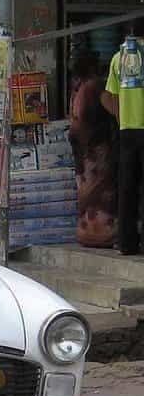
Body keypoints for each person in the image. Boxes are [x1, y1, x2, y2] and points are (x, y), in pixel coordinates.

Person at [70, 54, 118, 248]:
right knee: (100, 187)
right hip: (94, 146)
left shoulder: (77, 88)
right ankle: (101, 231)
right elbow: (115, 110)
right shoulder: (95, 88)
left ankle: (88, 229)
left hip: (84, 146)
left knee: (87, 185)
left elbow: (74, 118)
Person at [101, 36, 144, 254]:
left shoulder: (119, 58)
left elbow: (108, 96)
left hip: (127, 131)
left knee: (127, 188)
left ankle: (127, 243)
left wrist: (120, 115)